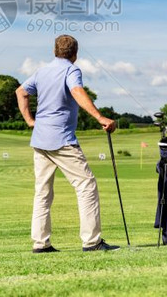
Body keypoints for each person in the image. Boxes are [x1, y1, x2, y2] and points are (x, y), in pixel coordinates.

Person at [16, 34, 120, 253]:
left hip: (40, 140)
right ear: (75, 53)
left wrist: (29, 121)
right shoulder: (71, 70)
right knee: (86, 185)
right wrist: (100, 117)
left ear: (55, 51)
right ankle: (92, 241)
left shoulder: (42, 71)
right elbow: (76, 91)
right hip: (61, 139)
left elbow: (21, 91)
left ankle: (40, 243)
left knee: (42, 192)